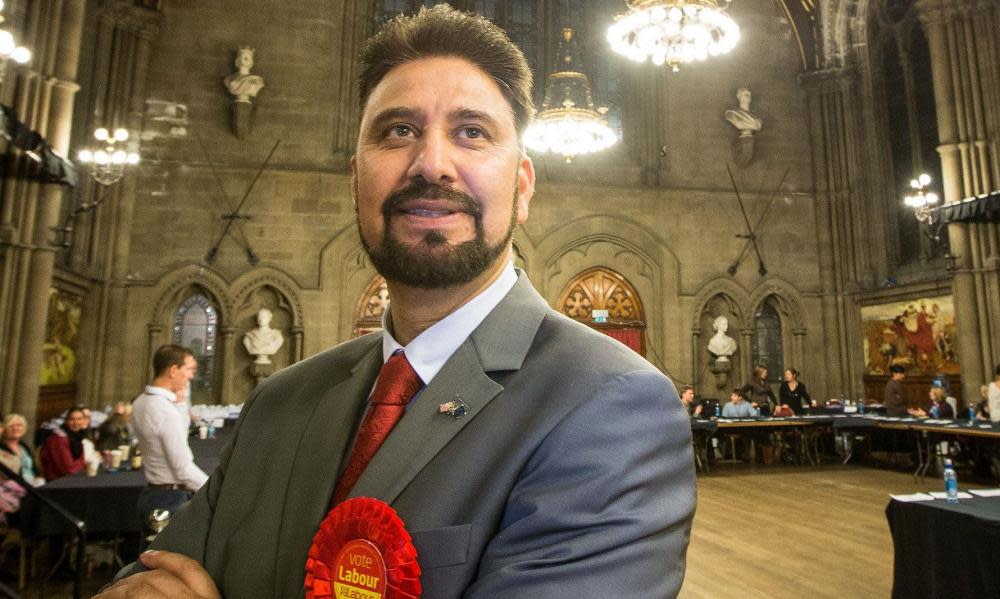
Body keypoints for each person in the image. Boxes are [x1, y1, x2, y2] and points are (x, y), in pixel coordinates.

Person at [101, 7, 695, 599]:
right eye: (398, 131)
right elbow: (146, 584)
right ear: (356, 179)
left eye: (472, 132)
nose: (432, 163)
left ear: (521, 187)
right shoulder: (281, 403)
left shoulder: (610, 405)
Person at [131, 344, 209, 522]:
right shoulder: (163, 410)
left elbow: (180, 434)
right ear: (173, 370)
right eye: (189, 369)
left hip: (153, 493)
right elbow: (183, 469)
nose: (191, 376)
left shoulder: (141, 401)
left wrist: (181, 404)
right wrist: (214, 492)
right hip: (170, 500)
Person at [39, 407, 88, 481]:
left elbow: (81, 461)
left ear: (84, 421)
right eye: (72, 419)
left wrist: (82, 464)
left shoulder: (77, 436)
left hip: (72, 478)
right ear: (66, 421)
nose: (76, 423)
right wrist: (82, 464)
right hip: (57, 482)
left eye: (79, 419)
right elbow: (68, 469)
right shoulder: (59, 438)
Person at [0, 414, 42, 486]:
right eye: (11, 426)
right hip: (14, 487)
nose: (15, 428)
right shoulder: (1, 448)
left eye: (19, 425)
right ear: (4, 429)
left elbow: (33, 468)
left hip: (33, 485)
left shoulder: (24, 446)